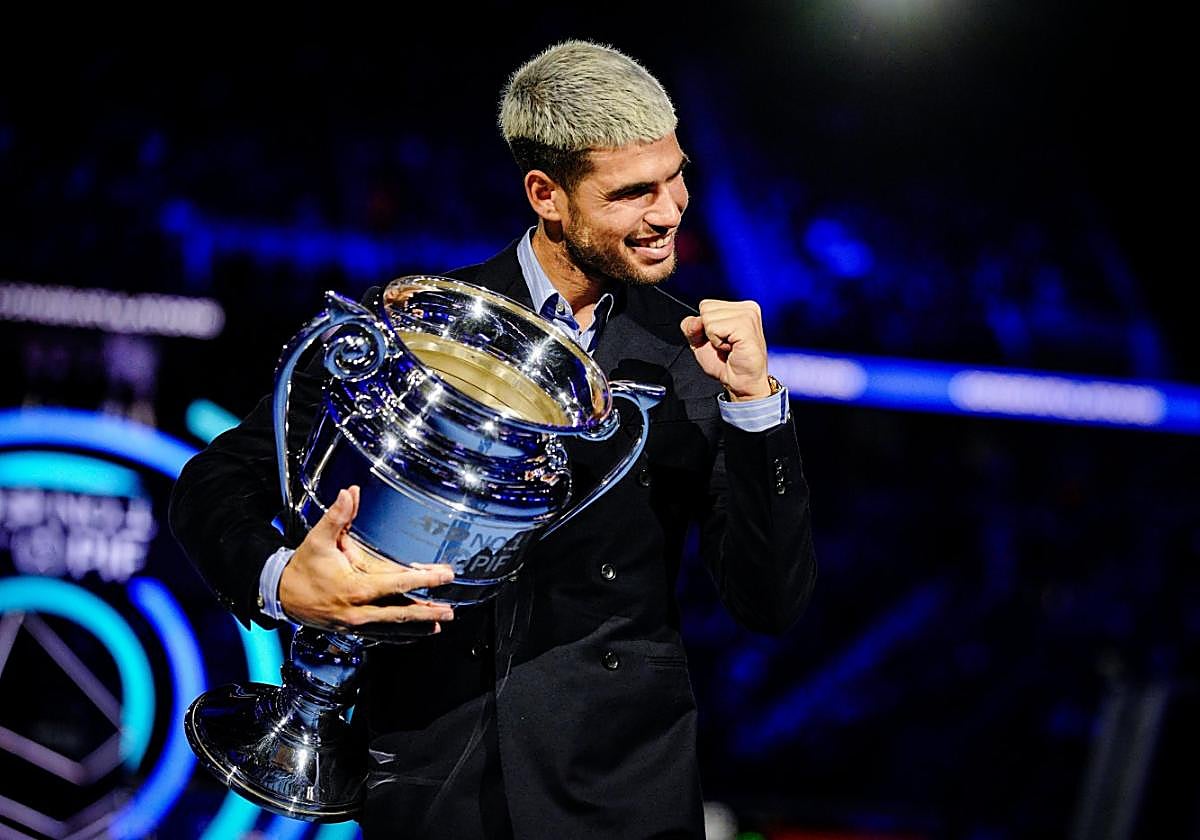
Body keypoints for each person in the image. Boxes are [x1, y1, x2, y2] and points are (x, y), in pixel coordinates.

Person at [170, 40, 816, 839]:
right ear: (546, 194)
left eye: (677, 175)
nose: (670, 210)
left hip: (620, 802)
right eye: (632, 192)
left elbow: (771, 601)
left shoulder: (696, 359)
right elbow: (216, 481)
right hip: (432, 788)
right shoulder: (419, 321)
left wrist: (757, 403)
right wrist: (279, 582)